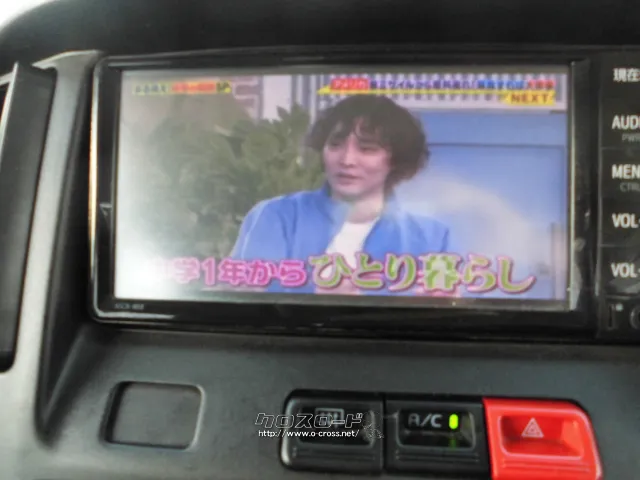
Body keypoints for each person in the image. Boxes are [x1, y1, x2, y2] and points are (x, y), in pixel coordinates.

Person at [230, 95, 449, 294]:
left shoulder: (433, 237)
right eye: (335, 145)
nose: (346, 160)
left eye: (366, 148)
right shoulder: (277, 215)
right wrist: (316, 297)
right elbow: (247, 298)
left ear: (396, 159)